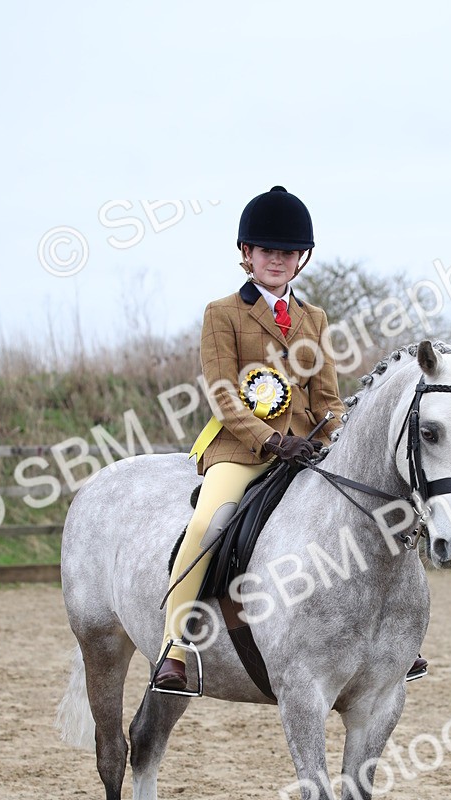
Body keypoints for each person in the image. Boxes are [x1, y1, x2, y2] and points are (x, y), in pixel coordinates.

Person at [152, 185, 345, 691]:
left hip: (308, 449)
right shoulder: (223, 313)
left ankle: (388, 640)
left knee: (368, 512)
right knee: (207, 526)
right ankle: (174, 649)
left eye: (286, 253)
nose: (276, 261)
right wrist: (271, 440)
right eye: (267, 252)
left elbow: (328, 398)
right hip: (242, 448)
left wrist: (339, 439)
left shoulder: (314, 319)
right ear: (247, 255)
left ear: (300, 259)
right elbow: (222, 393)